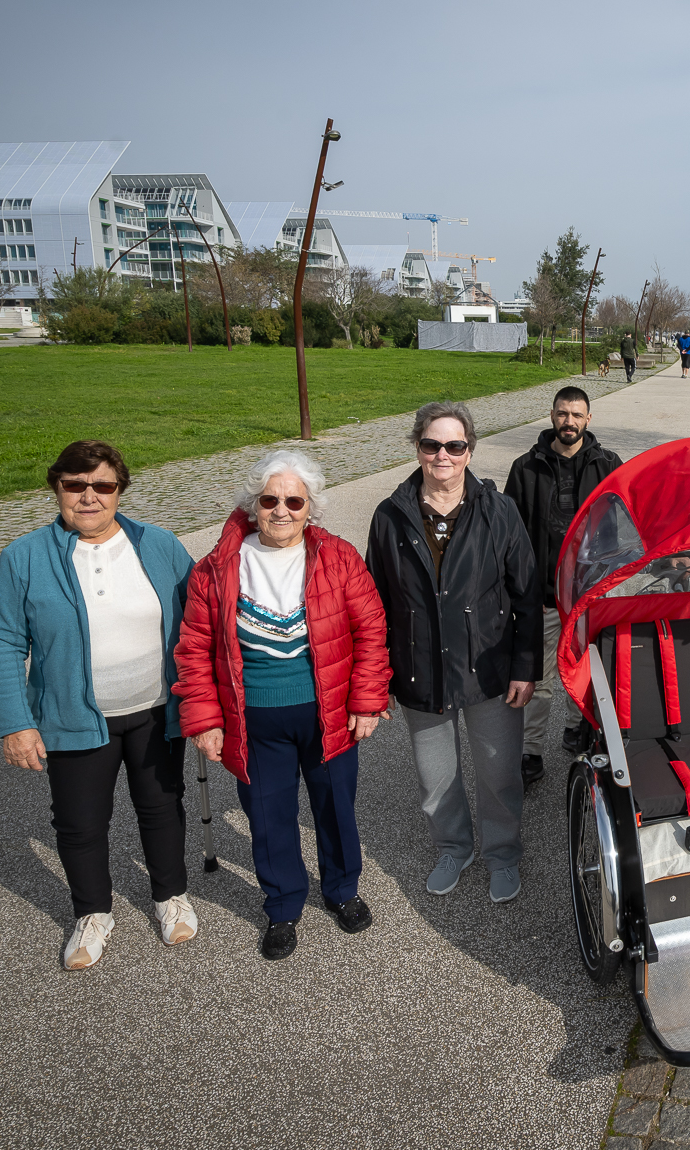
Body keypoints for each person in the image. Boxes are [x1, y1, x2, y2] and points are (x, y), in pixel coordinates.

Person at [0, 440, 199, 971]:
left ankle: (170, 896)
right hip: (75, 717)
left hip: (153, 710)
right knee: (79, 823)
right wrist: (16, 723)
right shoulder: (24, 557)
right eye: (75, 485)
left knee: (161, 808)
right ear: (57, 488)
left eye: (102, 485)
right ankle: (92, 913)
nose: (89, 497)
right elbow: (2, 642)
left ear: (119, 490)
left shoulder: (160, 545)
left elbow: (201, 615)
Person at [173, 451, 387, 960]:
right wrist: (204, 720)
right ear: (253, 504)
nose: (282, 510)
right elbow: (195, 648)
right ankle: (283, 904)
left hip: (328, 711)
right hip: (253, 719)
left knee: (335, 806)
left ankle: (342, 889)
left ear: (311, 507)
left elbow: (372, 631)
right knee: (269, 817)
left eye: (295, 500)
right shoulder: (217, 568)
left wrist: (368, 700)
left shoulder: (338, 557)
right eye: (270, 499)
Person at [368, 402, 540, 904]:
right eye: (431, 445)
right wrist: (378, 679)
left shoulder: (498, 510)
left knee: (499, 772)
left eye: (454, 445)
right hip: (422, 671)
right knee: (435, 777)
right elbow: (374, 604)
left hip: (490, 668)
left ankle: (503, 853)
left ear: (470, 452)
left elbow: (527, 594)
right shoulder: (391, 517)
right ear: (417, 449)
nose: (442, 455)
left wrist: (526, 668)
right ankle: (453, 847)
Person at [503, 386, 623, 778]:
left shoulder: (608, 465)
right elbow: (511, 535)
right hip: (544, 596)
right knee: (538, 679)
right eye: (561, 413)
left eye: (576, 414)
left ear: (589, 418)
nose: (568, 421)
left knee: (588, 668)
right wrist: (521, 589)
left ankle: (577, 728)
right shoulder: (526, 468)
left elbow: (626, 525)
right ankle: (531, 750)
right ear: (551, 416)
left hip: (590, 594)